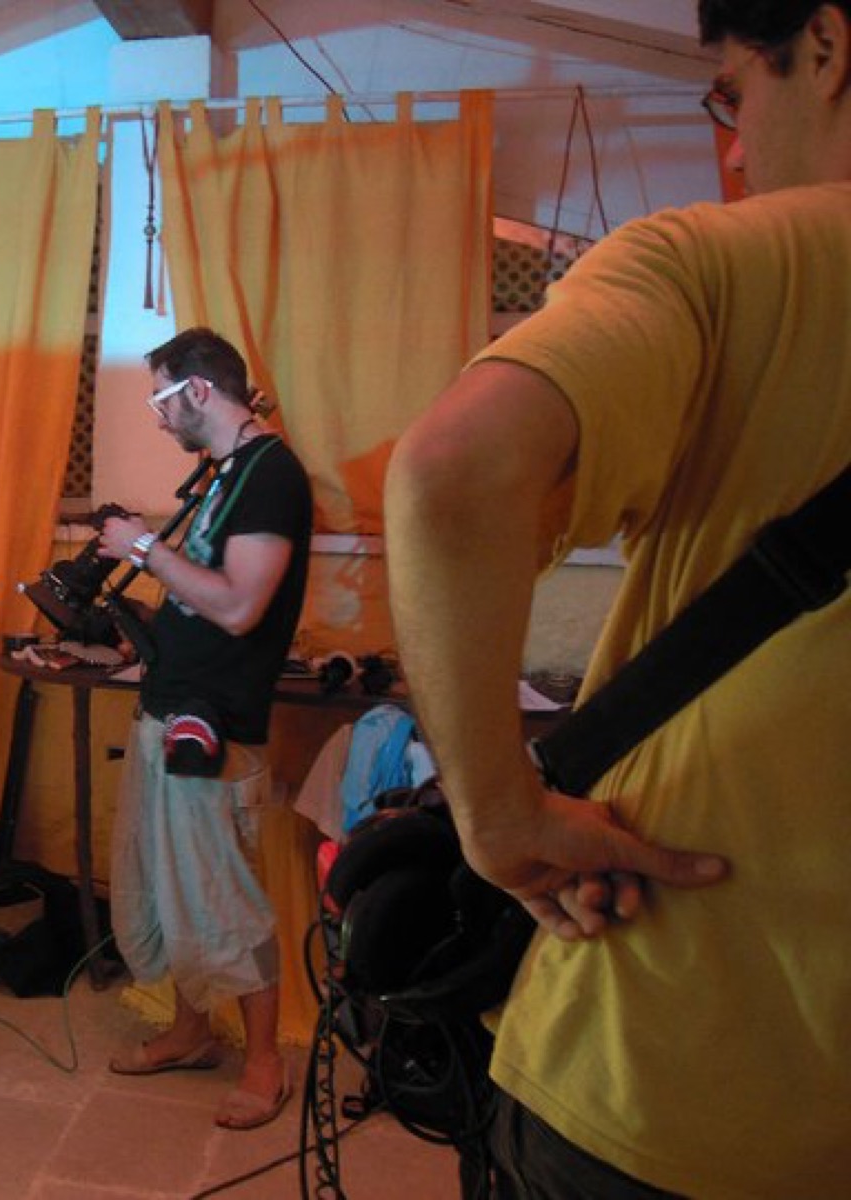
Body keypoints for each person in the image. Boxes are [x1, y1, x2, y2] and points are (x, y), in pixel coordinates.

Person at [382, 1, 850, 1194]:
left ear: (825, 47)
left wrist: (496, 813)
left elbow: (452, 474)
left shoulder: (722, 262)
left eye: (732, 93)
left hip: (675, 1070)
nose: (734, 149)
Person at [96, 328, 313, 1130]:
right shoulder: (226, 473)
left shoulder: (272, 475)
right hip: (169, 706)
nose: (157, 418)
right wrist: (144, 631)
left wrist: (143, 548)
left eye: (160, 399)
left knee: (224, 897)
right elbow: (201, 593)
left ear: (196, 390)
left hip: (217, 723)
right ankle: (190, 1033)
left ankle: (264, 1062)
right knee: (168, 885)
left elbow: (241, 605)